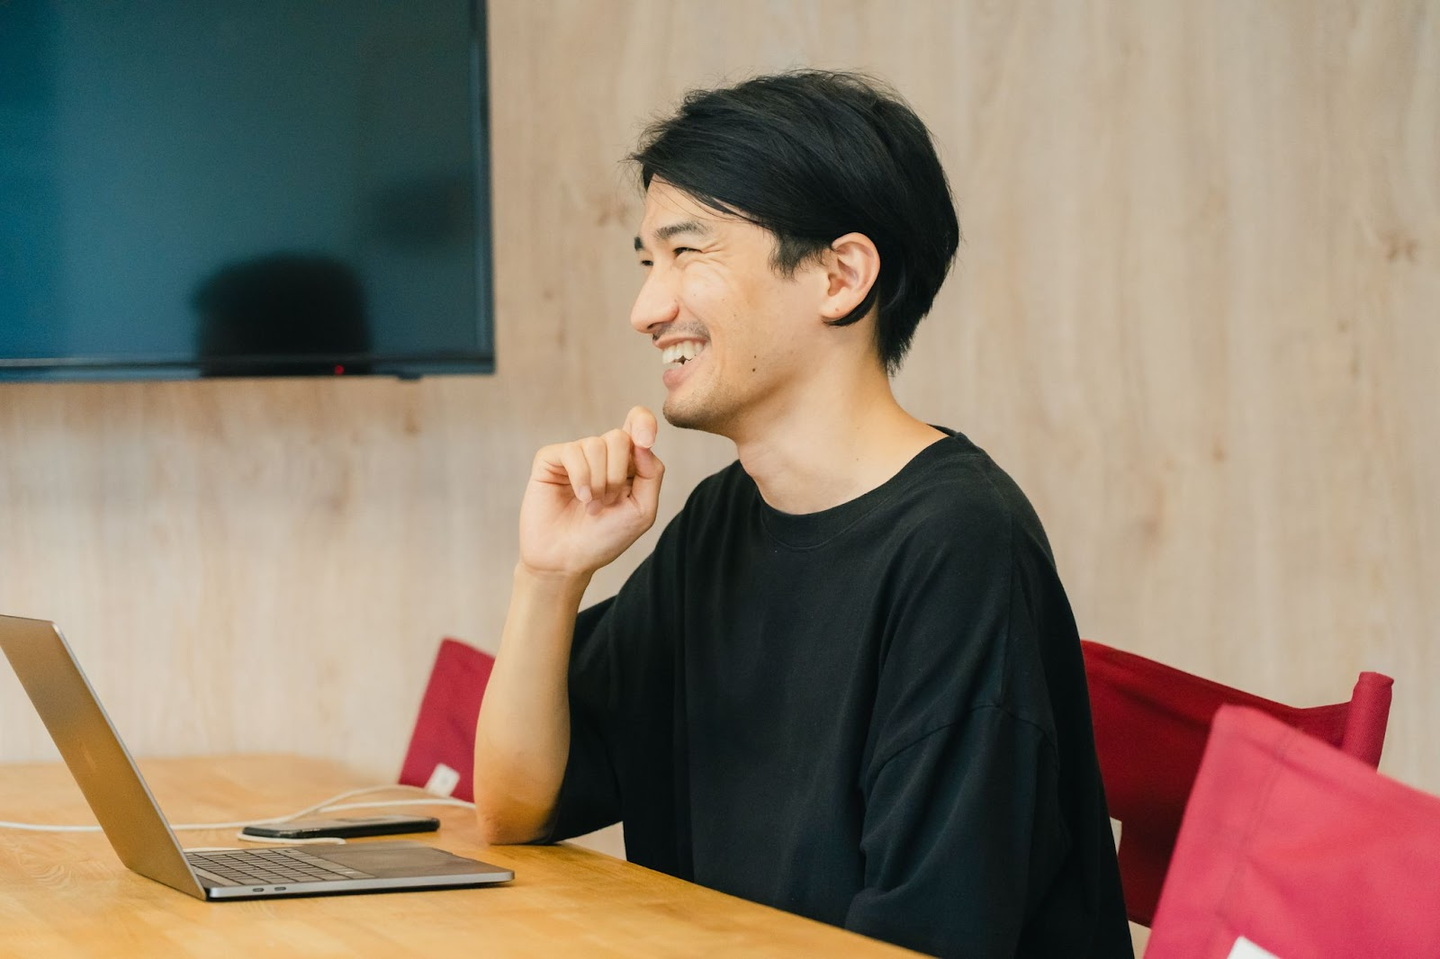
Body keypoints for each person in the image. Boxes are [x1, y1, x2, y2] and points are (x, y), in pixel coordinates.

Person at [473, 70, 1132, 958]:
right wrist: (548, 576)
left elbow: (921, 938)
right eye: (647, 263)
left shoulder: (960, 546)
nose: (645, 309)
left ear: (839, 275)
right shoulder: (723, 521)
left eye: (688, 252)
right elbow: (517, 807)